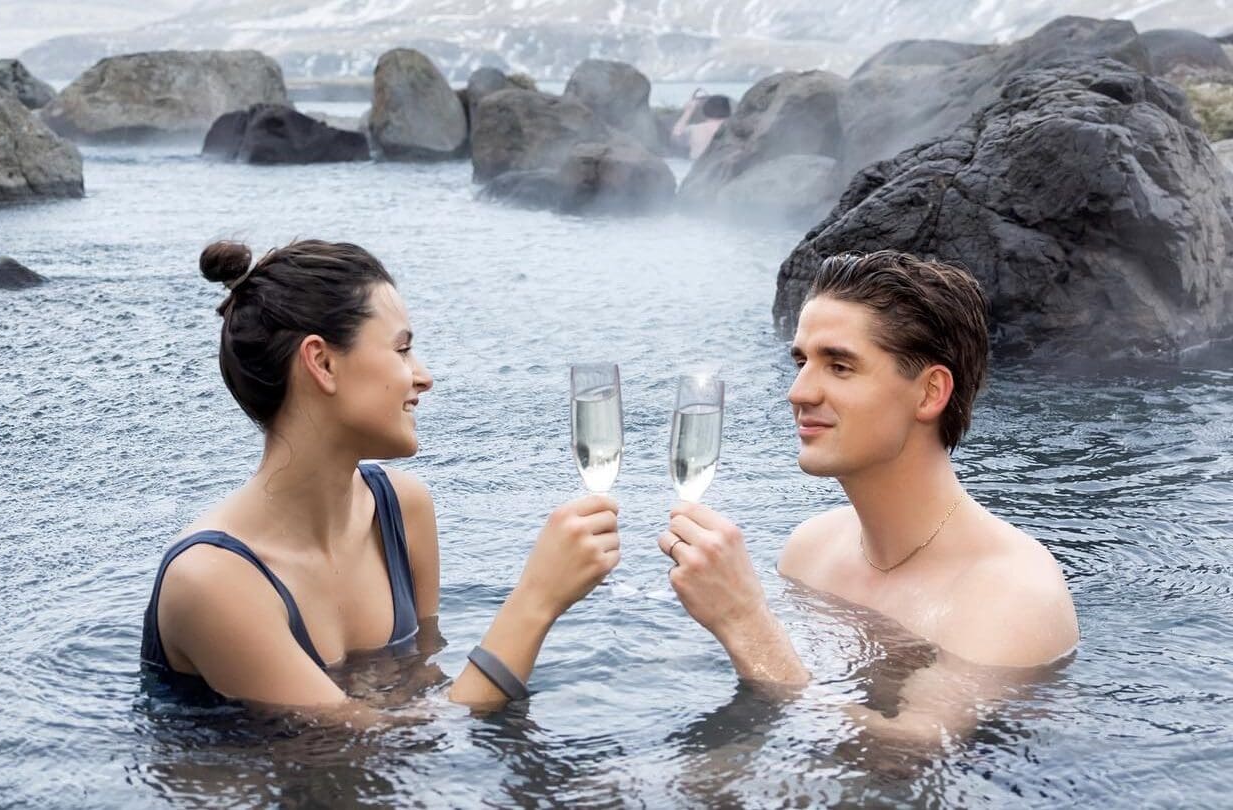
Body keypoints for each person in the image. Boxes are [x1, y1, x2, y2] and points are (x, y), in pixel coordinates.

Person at [140, 239, 621, 716]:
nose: (424, 376)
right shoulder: (211, 582)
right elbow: (387, 741)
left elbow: (430, 697)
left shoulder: (403, 509)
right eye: (403, 349)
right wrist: (536, 599)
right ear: (322, 363)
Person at [658, 250, 1079, 744]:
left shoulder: (1011, 593)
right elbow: (787, 713)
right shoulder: (810, 550)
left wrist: (744, 621)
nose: (798, 391)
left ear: (929, 393)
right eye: (802, 361)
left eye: (838, 366)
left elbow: (907, 755)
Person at [671, 91, 732, 161]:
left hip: (695, 165)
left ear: (706, 109)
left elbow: (675, 136)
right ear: (728, 110)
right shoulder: (733, 129)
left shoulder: (695, 129)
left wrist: (689, 110)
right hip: (720, 166)